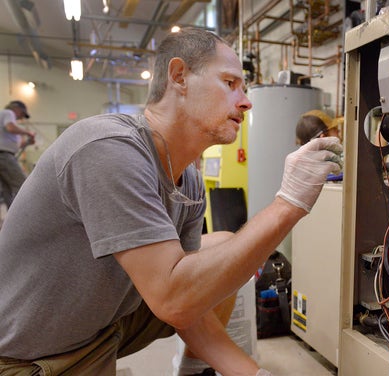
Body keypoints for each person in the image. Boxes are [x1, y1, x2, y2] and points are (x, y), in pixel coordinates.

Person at [0, 27, 342, 376]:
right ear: (179, 77)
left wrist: (254, 374)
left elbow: (194, 299)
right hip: (29, 358)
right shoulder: (108, 149)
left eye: (245, 87)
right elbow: (175, 299)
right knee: (191, 278)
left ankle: (193, 371)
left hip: (100, 328)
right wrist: (287, 204)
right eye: (229, 83)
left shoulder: (189, 181)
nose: (246, 100)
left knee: (220, 249)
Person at [0, 100, 35, 208]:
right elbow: (10, 127)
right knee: (23, 185)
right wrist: (28, 132)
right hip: (4, 156)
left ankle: (11, 218)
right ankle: (26, 214)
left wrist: (28, 142)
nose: (21, 118)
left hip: (5, 154)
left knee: (7, 189)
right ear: (16, 109)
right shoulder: (8, 113)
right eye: (21, 114)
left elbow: (14, 144)